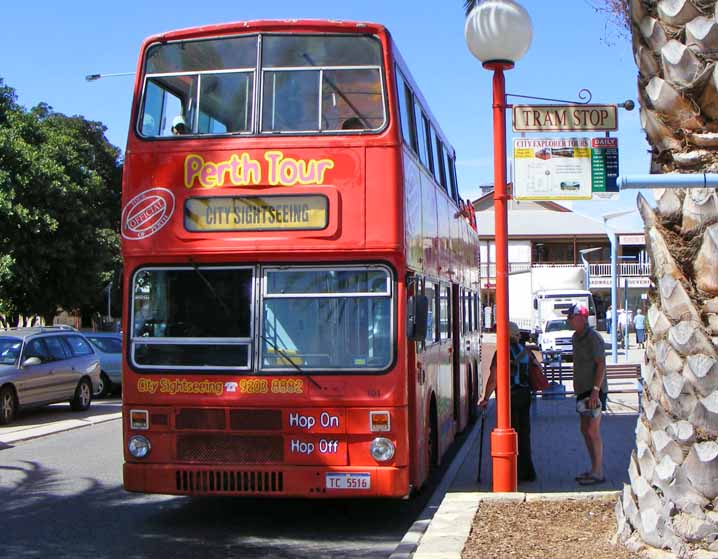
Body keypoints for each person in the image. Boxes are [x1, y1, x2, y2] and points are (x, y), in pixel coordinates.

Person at [479, 321, 537, 482]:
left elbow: (493, 379)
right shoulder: (525, 351)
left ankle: (512, 472)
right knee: (524, 434)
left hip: (509, 396)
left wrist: (485, 398)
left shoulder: (502, 353)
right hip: (525, 395)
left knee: (512, 431)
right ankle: (527, 472)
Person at [564, 303, 607, 486]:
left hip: (593, 392)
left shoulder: (593, 338)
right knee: (584, 430)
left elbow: (601, 365)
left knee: (593, 430)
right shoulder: (576, 337)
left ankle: (598, 472)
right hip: (582, 391)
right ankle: (593, 468)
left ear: (582, 318)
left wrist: (596, 391)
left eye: (571, 317)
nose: (569, 320)